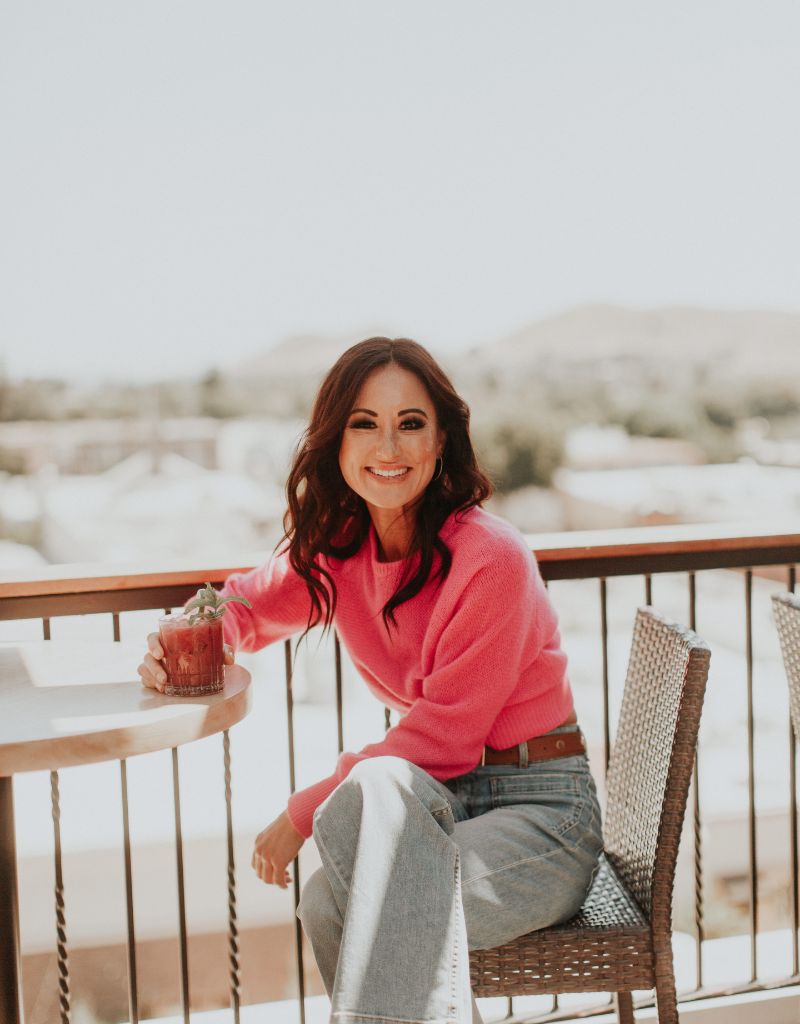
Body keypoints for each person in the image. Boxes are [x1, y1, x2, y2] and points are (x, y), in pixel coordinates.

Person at [138, 337, 603, 1024]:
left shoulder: (491, 557)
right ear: (337, 441)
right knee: (335, 892)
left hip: (543, 815)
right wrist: (184, 639)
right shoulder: (340, 546)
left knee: (360, 881)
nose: (389, 447)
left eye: (410, 423)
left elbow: (443, 737)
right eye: (365, 423)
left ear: (441, 439)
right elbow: (245, 605)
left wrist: (301, 815)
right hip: (445, 804)